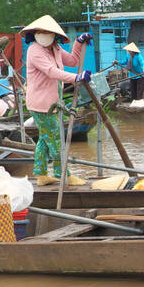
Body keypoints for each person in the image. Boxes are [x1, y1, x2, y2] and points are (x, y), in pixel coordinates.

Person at [23, 14, 89, 187]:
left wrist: (79, 43)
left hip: (52, 103)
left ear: (54, 35)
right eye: (41, 31)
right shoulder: (34, 50)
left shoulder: (56, 48)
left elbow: (74, 60)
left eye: (47, 32)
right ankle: (63, 175)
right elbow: (51, 71)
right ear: (35, 33)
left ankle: (41, 174)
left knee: (45, 139)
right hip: (40, 104)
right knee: (56, 139)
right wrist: (77, 78)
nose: (44, 34)